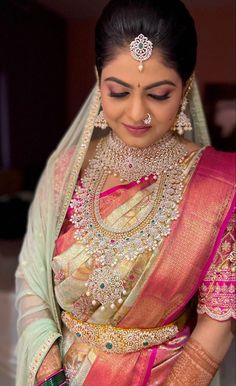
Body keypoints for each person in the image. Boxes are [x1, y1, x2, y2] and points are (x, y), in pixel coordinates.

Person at [15, 0, 236, 385]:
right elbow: (32, 281)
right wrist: (51, 374)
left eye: (159, 94)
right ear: (98, 78)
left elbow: (219, 319)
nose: (137, 114)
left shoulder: (219, 185)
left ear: (184, 87)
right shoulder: (66, 170)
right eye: (118, 92)